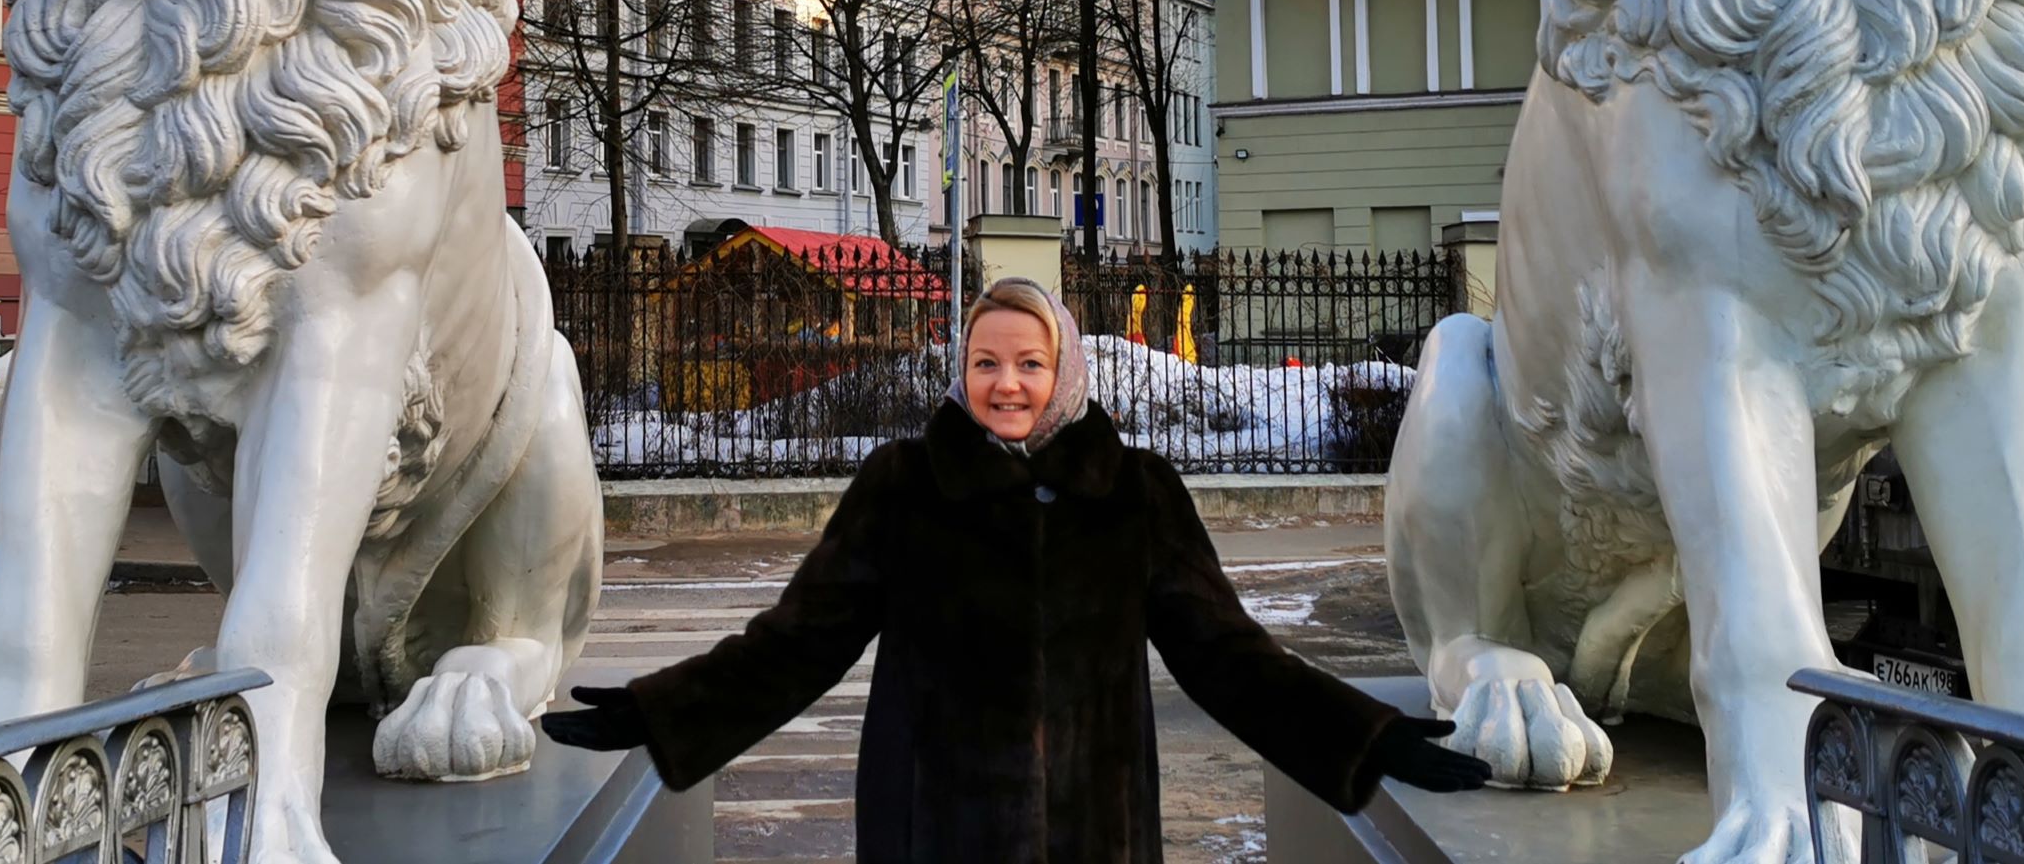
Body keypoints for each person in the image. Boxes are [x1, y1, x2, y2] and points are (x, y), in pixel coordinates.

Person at [542, 275, 1489, 862]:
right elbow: (795, 645)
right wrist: (661, 711)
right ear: (962, 371)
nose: (1007, 384)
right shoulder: (906, 485)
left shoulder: (1136, 493)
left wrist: (1367, 738)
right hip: (931, 832)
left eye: (1029, 363)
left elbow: (1231, 656)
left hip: (1096, 833)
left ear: (1064, 371)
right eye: (987, 362)